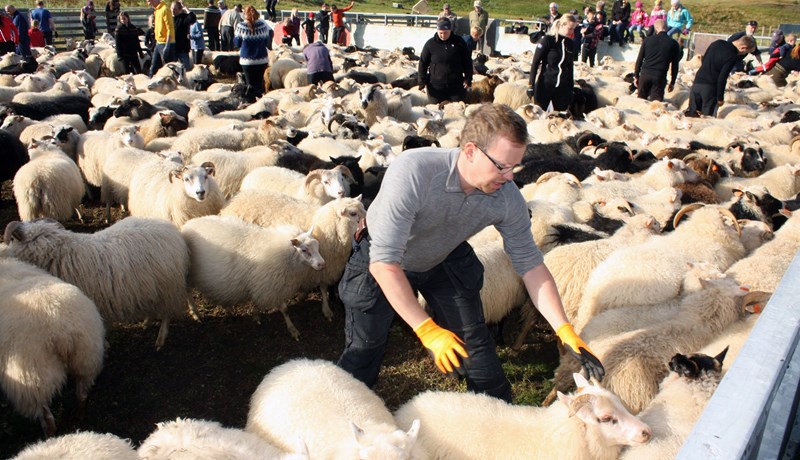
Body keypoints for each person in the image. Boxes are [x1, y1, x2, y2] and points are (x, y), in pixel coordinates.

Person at [336, 103, 605, 403]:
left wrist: (563, 328)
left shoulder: (507, 197)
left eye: (515, 167)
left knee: (474, 341)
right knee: (367, 345)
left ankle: (497, 413)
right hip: (381, 255)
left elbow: (531, 266)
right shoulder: (414, 170)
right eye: (501, 166)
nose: (509, 177)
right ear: (470, 151)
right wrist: (427, 329)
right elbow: (385, 263)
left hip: (444, 254)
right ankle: (345, 413)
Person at [687, 35, 755, 117]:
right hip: (710, 89)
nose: (743, 54)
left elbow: (704, 59)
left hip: (697, 83)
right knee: (707, 120)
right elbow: (722, 78)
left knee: (692, 116)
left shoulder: (717, 43)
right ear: (743, 48)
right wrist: (720, 98)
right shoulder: (732, 55)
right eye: (746, 52)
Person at [528, 14, 577, 112]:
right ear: (562, 25)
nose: (572, 31)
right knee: (539, 115)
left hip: (562, 87)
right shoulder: (547, 40)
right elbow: (535, 63)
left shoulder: (570, 44)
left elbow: (570, 67)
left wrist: (571, 89)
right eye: (570, 28)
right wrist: (531, 85)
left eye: (574, 29)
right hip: (545, 84)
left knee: (561, 118)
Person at [418, 17, 472, 103]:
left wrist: (468, 78)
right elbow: (423, 63)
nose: (443, 36)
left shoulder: (460, 43)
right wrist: (421, 82)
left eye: (446, 33)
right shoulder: (430, 44)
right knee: (436, 112)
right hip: (436, 87)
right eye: (441, 33)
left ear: (450, 30)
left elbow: (468, 62)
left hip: (456, 86)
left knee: (456, 112)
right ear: (437, 30)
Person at [634, 19, 681, 101]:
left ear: (655, 29)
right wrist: (672, 82)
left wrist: (636, 76)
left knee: (640, 103)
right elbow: (675, 65)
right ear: (667, 28)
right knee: (656, 105)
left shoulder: (647, 40)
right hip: (659, 76)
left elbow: (639, 60)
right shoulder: (674, 44)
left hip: (645, 74)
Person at [234, 5, 269, 101]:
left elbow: (237, 43)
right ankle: (261, 103)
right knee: (259, 83)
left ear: (245, 14)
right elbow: (266, 41)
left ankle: (251, 103)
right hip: (262, 59)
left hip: (247, 60)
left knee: (249, 84)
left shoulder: (241, 26)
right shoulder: (263, 25)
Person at [147, 0, 175, 77]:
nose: (147, 1)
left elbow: (170, 28)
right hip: (158, 43)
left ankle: (171, 87)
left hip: (166, 43)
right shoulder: (157, 10)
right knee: (153, 68)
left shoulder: (165, 9)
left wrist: (167, 45)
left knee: (168, 69)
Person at [171, 0, 195, 71]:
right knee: (173, 68)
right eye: (172, 8)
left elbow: (192, 19)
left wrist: (186, 8)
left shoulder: (183, 17)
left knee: (186, 68)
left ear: (179, 10)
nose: (172, 11)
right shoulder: (169, 18)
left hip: (182, 47)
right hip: (173, 46)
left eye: (175, 9)